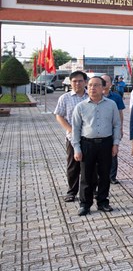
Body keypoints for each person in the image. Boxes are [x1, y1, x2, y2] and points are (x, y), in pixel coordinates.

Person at [71, 76, 122, 216]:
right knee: (86, 176)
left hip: (106, 143)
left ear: (103, 87)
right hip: (87, 144)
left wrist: (115, 143)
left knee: (104, 174)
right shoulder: (80, 106)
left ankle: (103, 202)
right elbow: (75, 129)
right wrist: (77, 148)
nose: (92, 88)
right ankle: (85, 204)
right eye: (90, 85)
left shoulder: (111, 105)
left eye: (96, 85)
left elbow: (116, 124)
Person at [54, 71, 89, 202]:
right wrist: (71, 130)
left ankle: (91, 190)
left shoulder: (91, 96)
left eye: (80, 81)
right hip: (72, 138)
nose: (77, 84)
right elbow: (59, 116)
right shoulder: (65, 98)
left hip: (89, 137)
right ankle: (72, 191)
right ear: (70, 82)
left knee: (90, 165)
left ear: (85, 82)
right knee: (73, 166)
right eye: (74, 81)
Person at [101, 74, 126, 184]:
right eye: (102, 81)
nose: (104, 83)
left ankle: (112, 176)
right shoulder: (94, 96)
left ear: (111, 84)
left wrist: (120, 128)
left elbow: (120, 113)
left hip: (112, 129)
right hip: (99, 130)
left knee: (113, 153)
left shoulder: (116, 97)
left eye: (106, 81)